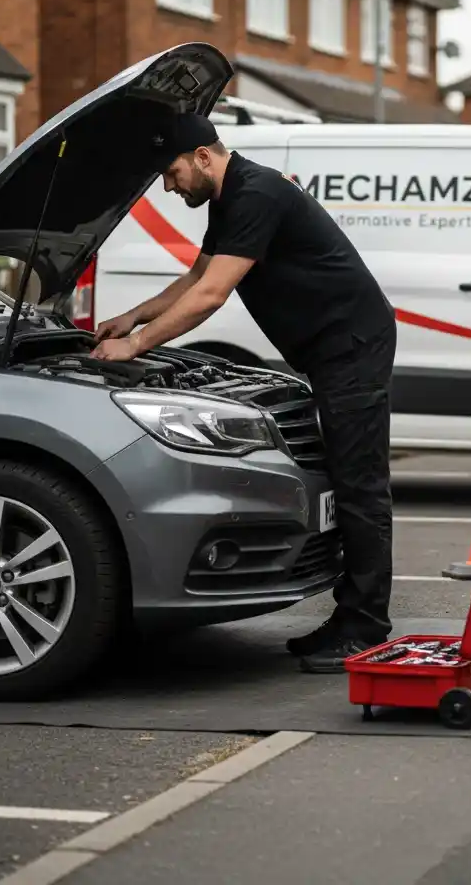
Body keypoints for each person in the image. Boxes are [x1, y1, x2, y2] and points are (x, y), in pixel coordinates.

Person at [92, 112, 397, 671]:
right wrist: (129, 318)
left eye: (172, 171)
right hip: (332, 347)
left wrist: (135, 349)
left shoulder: (255, 193)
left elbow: (211, 295)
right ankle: (351, 615)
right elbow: (194, 277)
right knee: (343, 478)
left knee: (360, 483)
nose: (168, 184)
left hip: (351, 345)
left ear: (204, 157)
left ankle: (365, 625)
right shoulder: (231, 198)